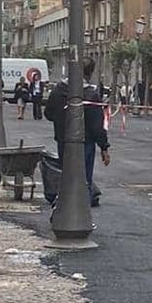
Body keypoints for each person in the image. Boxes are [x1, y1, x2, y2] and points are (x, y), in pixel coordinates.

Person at [44, 59, 111, 206]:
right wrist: (104, 147)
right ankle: (82, 212)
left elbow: (48, 114)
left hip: (63, 140)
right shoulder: (91, 94)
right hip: (85, 142)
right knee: (84, 178)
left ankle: (64, 207)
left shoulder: (58, 90)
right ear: (90, 73)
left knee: (66, 175)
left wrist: (61, 120)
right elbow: (96, 126)